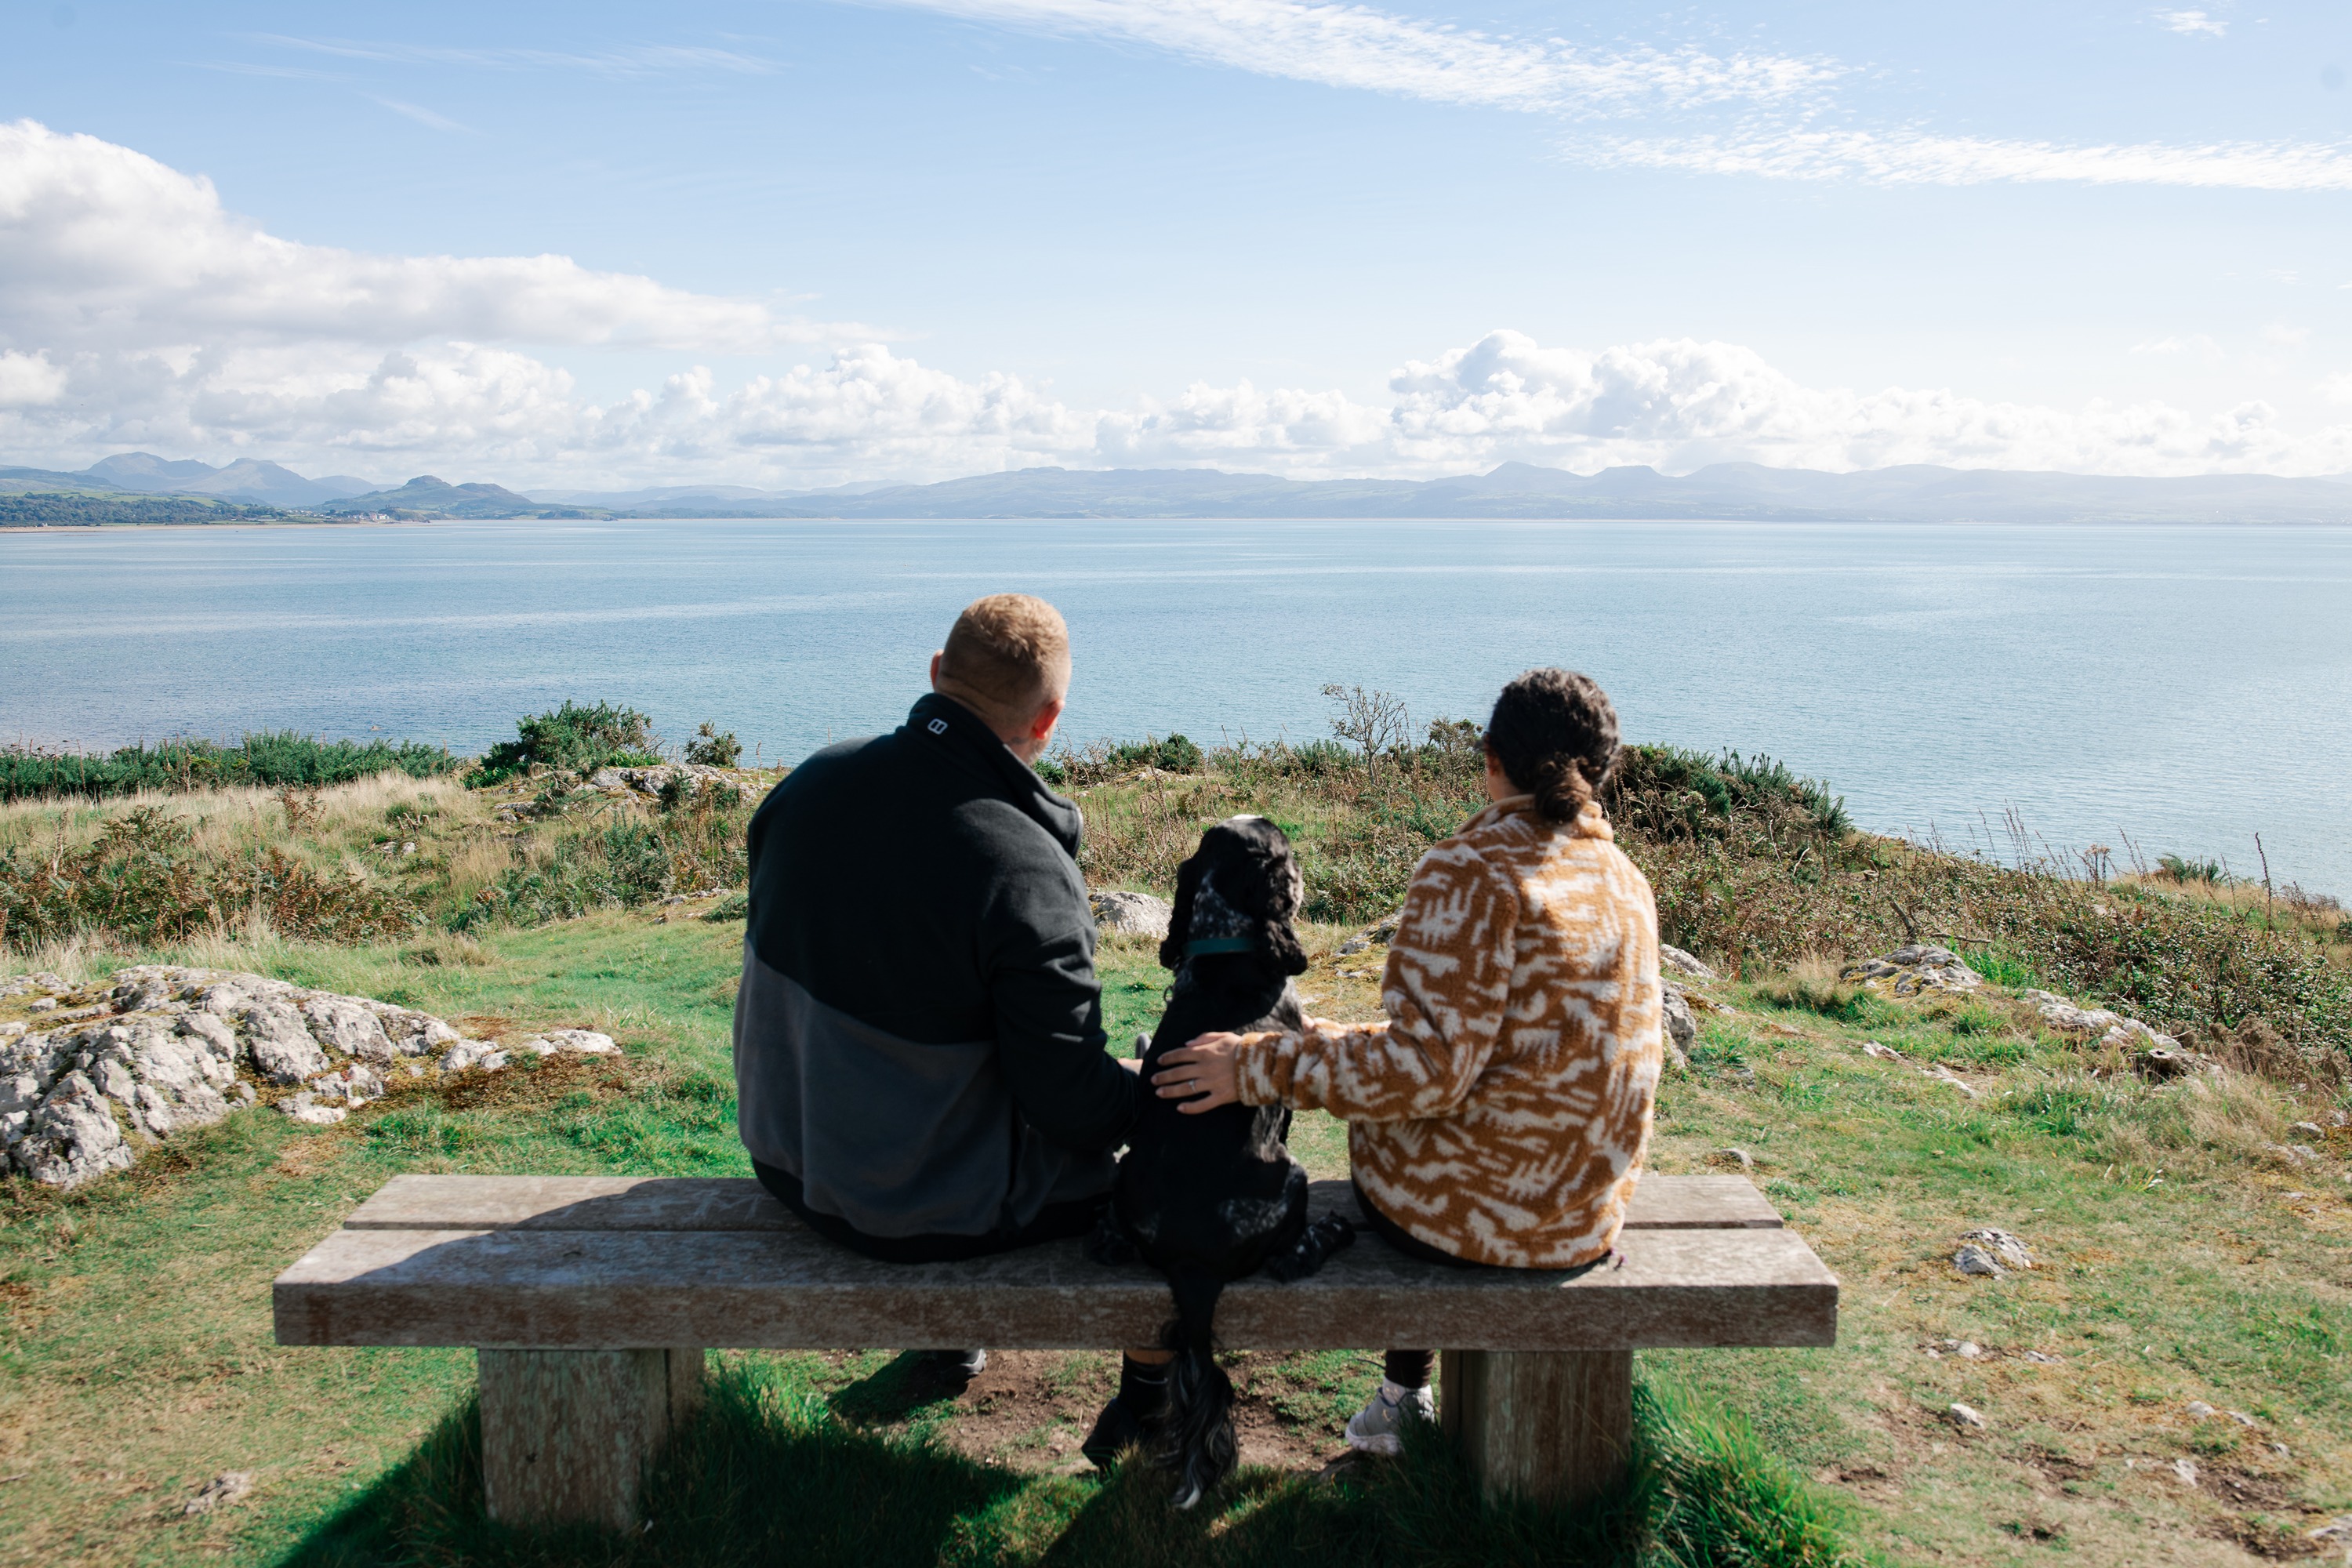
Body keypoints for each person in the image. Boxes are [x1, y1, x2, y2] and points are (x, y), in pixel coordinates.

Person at [1150, 668, 1664, 1454]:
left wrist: (1257, 1065)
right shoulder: (1624, 879)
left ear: (1491, 756)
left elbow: (1424, 1073)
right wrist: (1308, 1037)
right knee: (1444, 1125)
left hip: (1481, 1222)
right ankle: (1400, 1398)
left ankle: (1403, 1398)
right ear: (1601, 770)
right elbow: (1490, 1048)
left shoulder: (1472, 870)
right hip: (1585, 1213)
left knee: (1395, 1138)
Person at [732, 593, 1138, 1387]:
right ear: (1048, 719)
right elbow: (1070, 1103)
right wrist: (1158, 1092)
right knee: (1165, 1149)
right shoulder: (1022, 868)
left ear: (935, 675)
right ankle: (1160, 1395)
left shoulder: (809, 782)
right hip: (912, 1208)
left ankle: (954, 1337)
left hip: (787, 1160)